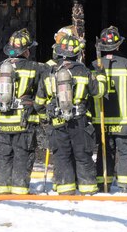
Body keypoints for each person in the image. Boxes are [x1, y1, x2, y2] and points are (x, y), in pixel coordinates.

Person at [35, 34, 103, 195]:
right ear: (77, 53)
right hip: (79, 121)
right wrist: (100, 75)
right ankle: (87, 189)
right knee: (82, 154)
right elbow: (99, 92)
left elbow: (39, 102)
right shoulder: (85, 71)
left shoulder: (49, 72)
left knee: (62, 156)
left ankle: (66, 190)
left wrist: (47, 117)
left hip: (57, 121)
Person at [0, 28, 45, 195]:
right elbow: (41, 91)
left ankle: (3, 189)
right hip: (24, 123)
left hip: (2, 122)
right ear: (26, 50)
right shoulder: (35, 68)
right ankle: (20, 190)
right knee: (23, 155)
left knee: (4, 156)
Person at [91, 26, 127, 193]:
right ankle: (126, 186)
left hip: (102, 121)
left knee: (104, 152)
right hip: (125, 120)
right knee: (126, 152)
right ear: (118, 46)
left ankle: (102, 183)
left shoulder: (94, 65)